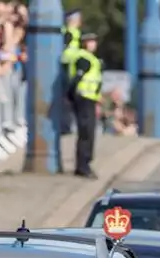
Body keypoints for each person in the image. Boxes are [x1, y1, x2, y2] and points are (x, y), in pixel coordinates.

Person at [68, 33, 102, 178]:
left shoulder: (91, 59)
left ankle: (84, 164)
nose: (93, 44)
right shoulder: (84, 58)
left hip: (89, 98)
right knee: (86, 132)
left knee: (87, 132)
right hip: (84, 98)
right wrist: (72, 94)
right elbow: (77, 78)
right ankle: (83, 166)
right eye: (90, 41)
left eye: (94, 41)